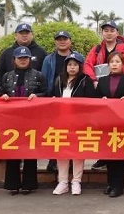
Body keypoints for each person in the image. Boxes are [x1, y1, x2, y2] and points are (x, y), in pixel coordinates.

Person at [0, 46, 47, 195]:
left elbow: (46, 92)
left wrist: (37, 96)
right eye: (20, 58)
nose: (23, 60)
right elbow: (0, 91)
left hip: (31, 119)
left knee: (30, 151)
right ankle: (12, 184)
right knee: (12, 150)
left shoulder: (38, 75)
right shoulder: (7, 76)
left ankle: (29, 184)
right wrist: (2, 96)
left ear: (30, 59)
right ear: (14, 60)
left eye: (25, 58)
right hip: (12, 119)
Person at [51, 52, 96, 195]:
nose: (72, 67)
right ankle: (63, 181)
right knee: (62, 151)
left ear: (80, 66)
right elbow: (52, 97)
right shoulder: (59, 79)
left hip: (79, 122)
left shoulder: (85, 80)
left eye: (75, 65)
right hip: (61, 121)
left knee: (78, 152)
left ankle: (76, 181)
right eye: (69, 65)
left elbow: (91, 101)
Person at [94, 52, 124, 197]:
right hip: (107, 122)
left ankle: (119, 186)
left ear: (123, 64)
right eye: (112, 62)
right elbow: (95, 98)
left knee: (120, 155)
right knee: (109, 153)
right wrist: (102, 100)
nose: (114, 64)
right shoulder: (102, 80)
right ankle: (110, 183)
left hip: (122, 121)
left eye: (117, 62)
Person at [41, 29, 73, 173]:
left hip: (72, 101)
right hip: (54, 99)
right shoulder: (48, 59)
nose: (62, 42)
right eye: (59, 39)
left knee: (70, 131)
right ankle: (53, 159)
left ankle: (70, 159)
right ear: (55, 42)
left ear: (70, 41)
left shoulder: (77, 57)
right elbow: (44, 78)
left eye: (65, 39)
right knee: (54, 131)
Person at [0, 23, 47, 87]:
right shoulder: (7, 53)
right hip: (11, 91)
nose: (24, 35)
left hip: (34, 91)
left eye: (27, 33)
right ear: (15, 35)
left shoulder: (41, 52)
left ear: (32, 35)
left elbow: (46, 75)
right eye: (21, 33)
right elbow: (0, 74)